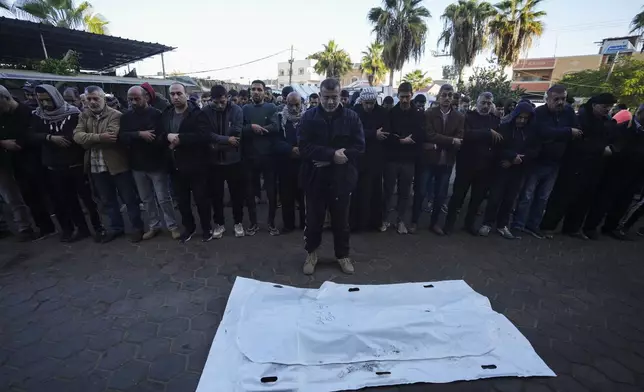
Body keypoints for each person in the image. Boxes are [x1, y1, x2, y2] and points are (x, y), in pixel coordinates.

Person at [299, 78, 365, 275]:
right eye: (326, 97)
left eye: (334, 97)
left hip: (341, 179)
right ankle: (311, 253)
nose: (330, 102)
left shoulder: (352, 117)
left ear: (340, 96)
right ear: (319, 96)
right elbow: (303, 147)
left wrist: (333, 159)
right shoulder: (309, 117)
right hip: (315, 178)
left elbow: (360, 147)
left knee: (341, 222)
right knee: (313, 221)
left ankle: (342, 255)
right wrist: (330, 155)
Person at [540, 93, 619, 240]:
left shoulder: (607, 121)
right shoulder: (581, 118)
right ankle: (548, 226)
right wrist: (600, 149)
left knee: (584, 199)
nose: (607, 110)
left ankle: (573, 228)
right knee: (562, 197)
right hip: (575, 165)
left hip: (595, 166)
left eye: (610, 107)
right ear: (594, 105)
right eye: (604, 107)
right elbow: (578, 142)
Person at [30, 84, 103, 242]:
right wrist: (49, 138)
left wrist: (65, 138)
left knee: (89, 200)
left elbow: (77, 134)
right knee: (68, 200)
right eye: (41, 100)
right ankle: (81, 228)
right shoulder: (38, 115)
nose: (44, 104)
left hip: (75, 164)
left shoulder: (72, 113)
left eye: (47, 99)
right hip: (54, 166)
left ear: (55, 97)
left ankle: (98, 227)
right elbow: (31, 135)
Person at [73, 86, 143, 243]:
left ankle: (137, 228)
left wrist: (89, 139)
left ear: (103, 99)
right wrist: (99, 137)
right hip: (96, 166)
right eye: (89, 99)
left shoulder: (116, 115)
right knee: (107, 200)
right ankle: (116, 228)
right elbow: (77, 137)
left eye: (95, 98)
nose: (92, 102)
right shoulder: (84, 116)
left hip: (118, 164)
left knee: (129, 199)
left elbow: (111, 136)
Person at [512, 85, 582, 239]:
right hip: (537, 161)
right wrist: (567, 132)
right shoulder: (539, 113)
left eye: (563, 99)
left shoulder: (568, 112)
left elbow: (577, 130)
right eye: (556, 99)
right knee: (527, 195)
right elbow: (543, 132)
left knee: (543, 197)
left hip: (555, 162)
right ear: (548, 98)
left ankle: (533, 225)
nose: (560, 102)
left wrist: (561, 134)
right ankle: (518, 224)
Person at [119, 86, 180, 241]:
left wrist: (152, 138)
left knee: (163, 198)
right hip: (137, 165)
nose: (133, 102)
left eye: (136, 98)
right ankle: (154, 225)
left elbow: (160, 136)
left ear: (146, 97)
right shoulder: (126, 117)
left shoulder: (158, 115)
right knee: (146, 199)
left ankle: (172, 226)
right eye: (130, 99)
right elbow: (122, 137)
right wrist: (140, 134)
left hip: (156, 163)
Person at [160, 82, 213, 243]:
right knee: (182, 203)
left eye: (178, 93)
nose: (175, 97)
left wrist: (181, 139)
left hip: (196, 166)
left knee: (201, 200)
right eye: (172, 94)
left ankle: (206, 228)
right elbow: (159, 134)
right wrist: (166, 137)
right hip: (175, 167)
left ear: (186, 94)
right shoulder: (166, 114)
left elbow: (204, 136)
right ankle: (189, 228)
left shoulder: (197, 113)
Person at [444, 92, 502, 235]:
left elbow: (498, 140)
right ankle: (448, 224)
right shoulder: (467, 117)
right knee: (458, 196)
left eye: (489, 103)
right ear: (477, 102)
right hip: (466, 164)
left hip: (485, 166)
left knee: (477, 199)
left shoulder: (495, 120)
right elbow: (466, 135)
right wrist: (487, 132)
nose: (486, 106)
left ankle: (469, 224)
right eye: (483, 103)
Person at [479, 102, 539, 239]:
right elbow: (497, 147)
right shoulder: (505, 128)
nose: (522, 121)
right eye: (520, 117)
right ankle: (487, 223)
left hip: (519, 169)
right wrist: (511, 156)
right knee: (495, 198)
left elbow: (536, 150)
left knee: (510, 199)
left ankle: (502, 225)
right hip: (502, 168)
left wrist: (520, 159)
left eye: (525, 118)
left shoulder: (532, 132)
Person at [585, 105, 644, 240]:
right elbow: (616, 147)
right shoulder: (624, 128)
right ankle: (590, 227)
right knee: (603, 201)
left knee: (623, 202)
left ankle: (610, 227)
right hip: (617, 170)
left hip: (636, 173)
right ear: (640, 113)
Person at [411, 84, 464, 235]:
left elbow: (460, 139)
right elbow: (429, 135)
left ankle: (434, 223)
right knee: (420, 192)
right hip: (428, 160)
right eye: (444, 94)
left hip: (446, 162)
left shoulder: (459, 117)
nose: (447, 98)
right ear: (439, 96)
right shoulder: (429, 113)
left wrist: (447, 141)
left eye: (450, 95)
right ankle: (414, 221)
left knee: (440, 195)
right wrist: (451, 141)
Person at [202, 85, 246, 239]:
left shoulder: (237, 110)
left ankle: (238, 222)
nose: (220, 105)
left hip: (233, 160)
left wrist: (216, 144)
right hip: (214, 162)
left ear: (227, 97)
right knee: (216, 195)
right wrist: (226, 140)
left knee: (236, 195)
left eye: (222, 101)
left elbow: (237, 133)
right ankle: (219, 224)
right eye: (216, 102)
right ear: (211, 100)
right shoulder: (206, 112)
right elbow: (206, 134)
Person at [381, 82, 423, 234]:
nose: (405, 100)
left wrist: (410, 140)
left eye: (407, 97)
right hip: (392, 159)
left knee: (405, 193)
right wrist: (400, 140)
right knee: (388, 190)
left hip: (409, 160)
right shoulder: (390, 113)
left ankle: (400, 221)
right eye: (402, 97)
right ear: (397, 96)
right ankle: (384, 219)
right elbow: (387, 134)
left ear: (411, 95)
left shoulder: (418, 114)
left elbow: (421, 134)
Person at [0, 85, 39, 241]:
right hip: (5, 160)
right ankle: (22, 226)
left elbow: (24, 140)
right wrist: (2, 143)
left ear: (6, 98)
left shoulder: (26, 112)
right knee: (12, 196)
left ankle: (30, 226)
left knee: (25, 195)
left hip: (22, 161)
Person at [242, 80, 279, 236]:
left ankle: (271, 223)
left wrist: (261, 129)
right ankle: (253, 223)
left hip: (268, 157)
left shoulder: (271, 107)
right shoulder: (245, 109)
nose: (256, 92)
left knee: (271, 192)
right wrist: (251, 127)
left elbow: (276, 126)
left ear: (265, 92)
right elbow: (239, 128)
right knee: (250, 193)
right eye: (253, 89)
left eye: (259, 89)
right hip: (250, 157)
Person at [350, 87, 387, 232]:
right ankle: (356, 224)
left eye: (372, 103)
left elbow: (384, 132)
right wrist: (372, 134)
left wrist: (370, 134)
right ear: (362, 101)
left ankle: (374, 223)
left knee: (375, 193)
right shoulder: (355, 112)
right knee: (358, 193)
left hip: (375, 159)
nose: (369, 106)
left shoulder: (382, 112)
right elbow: (354, 132)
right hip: (359, 159)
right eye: (367, 103)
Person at [274, 91, 306, 233]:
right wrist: (290, 149)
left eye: (297, 105)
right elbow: (275, 141)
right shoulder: (280, 118)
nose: (293, 108)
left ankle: (306, 224)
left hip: (304, 164)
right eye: (290, 105)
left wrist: (302, 149)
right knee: (287, 197)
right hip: (285, 164)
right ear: (285, 103)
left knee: (304, 197)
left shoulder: (309, 118)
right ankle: (288, 225)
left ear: (302, 103)